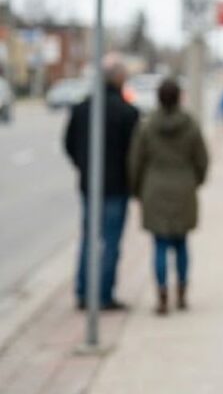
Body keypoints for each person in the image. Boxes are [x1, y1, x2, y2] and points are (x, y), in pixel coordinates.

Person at [64, 53, 140, 310]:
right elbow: (135, 154)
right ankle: (103, 295)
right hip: (117, 186)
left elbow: (69, 144)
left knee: (89, 240)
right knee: (110, 242)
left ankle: (84, 291)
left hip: (91, 185)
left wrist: (84, 166)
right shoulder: (127, 112)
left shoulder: (83, 108)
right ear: (118, 79)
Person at [129, 78, 209, 315]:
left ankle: (162, 293)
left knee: (160, 244)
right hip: (183, 186)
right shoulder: (190, 125)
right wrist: (195, 180)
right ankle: (182, 291)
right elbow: (202, 159)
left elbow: (136, 161)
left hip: (154, 188)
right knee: (181, 243)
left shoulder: (147, 126)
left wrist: (137, 189)